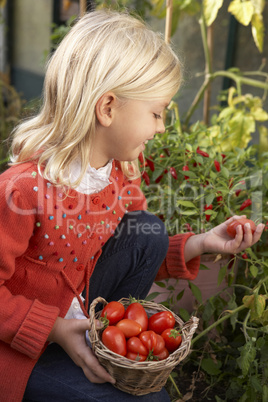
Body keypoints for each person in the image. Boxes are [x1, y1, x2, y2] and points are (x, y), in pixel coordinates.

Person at [0, 9, 264, 402]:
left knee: (148, 230)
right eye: (156, 113)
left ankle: (104, 352)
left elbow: (136, 252)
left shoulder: (118, 177)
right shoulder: (21, 192)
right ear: (107, 108)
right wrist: (54, 329)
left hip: (80, 314)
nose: (160, 128)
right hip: (22, 346)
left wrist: (202, 242)